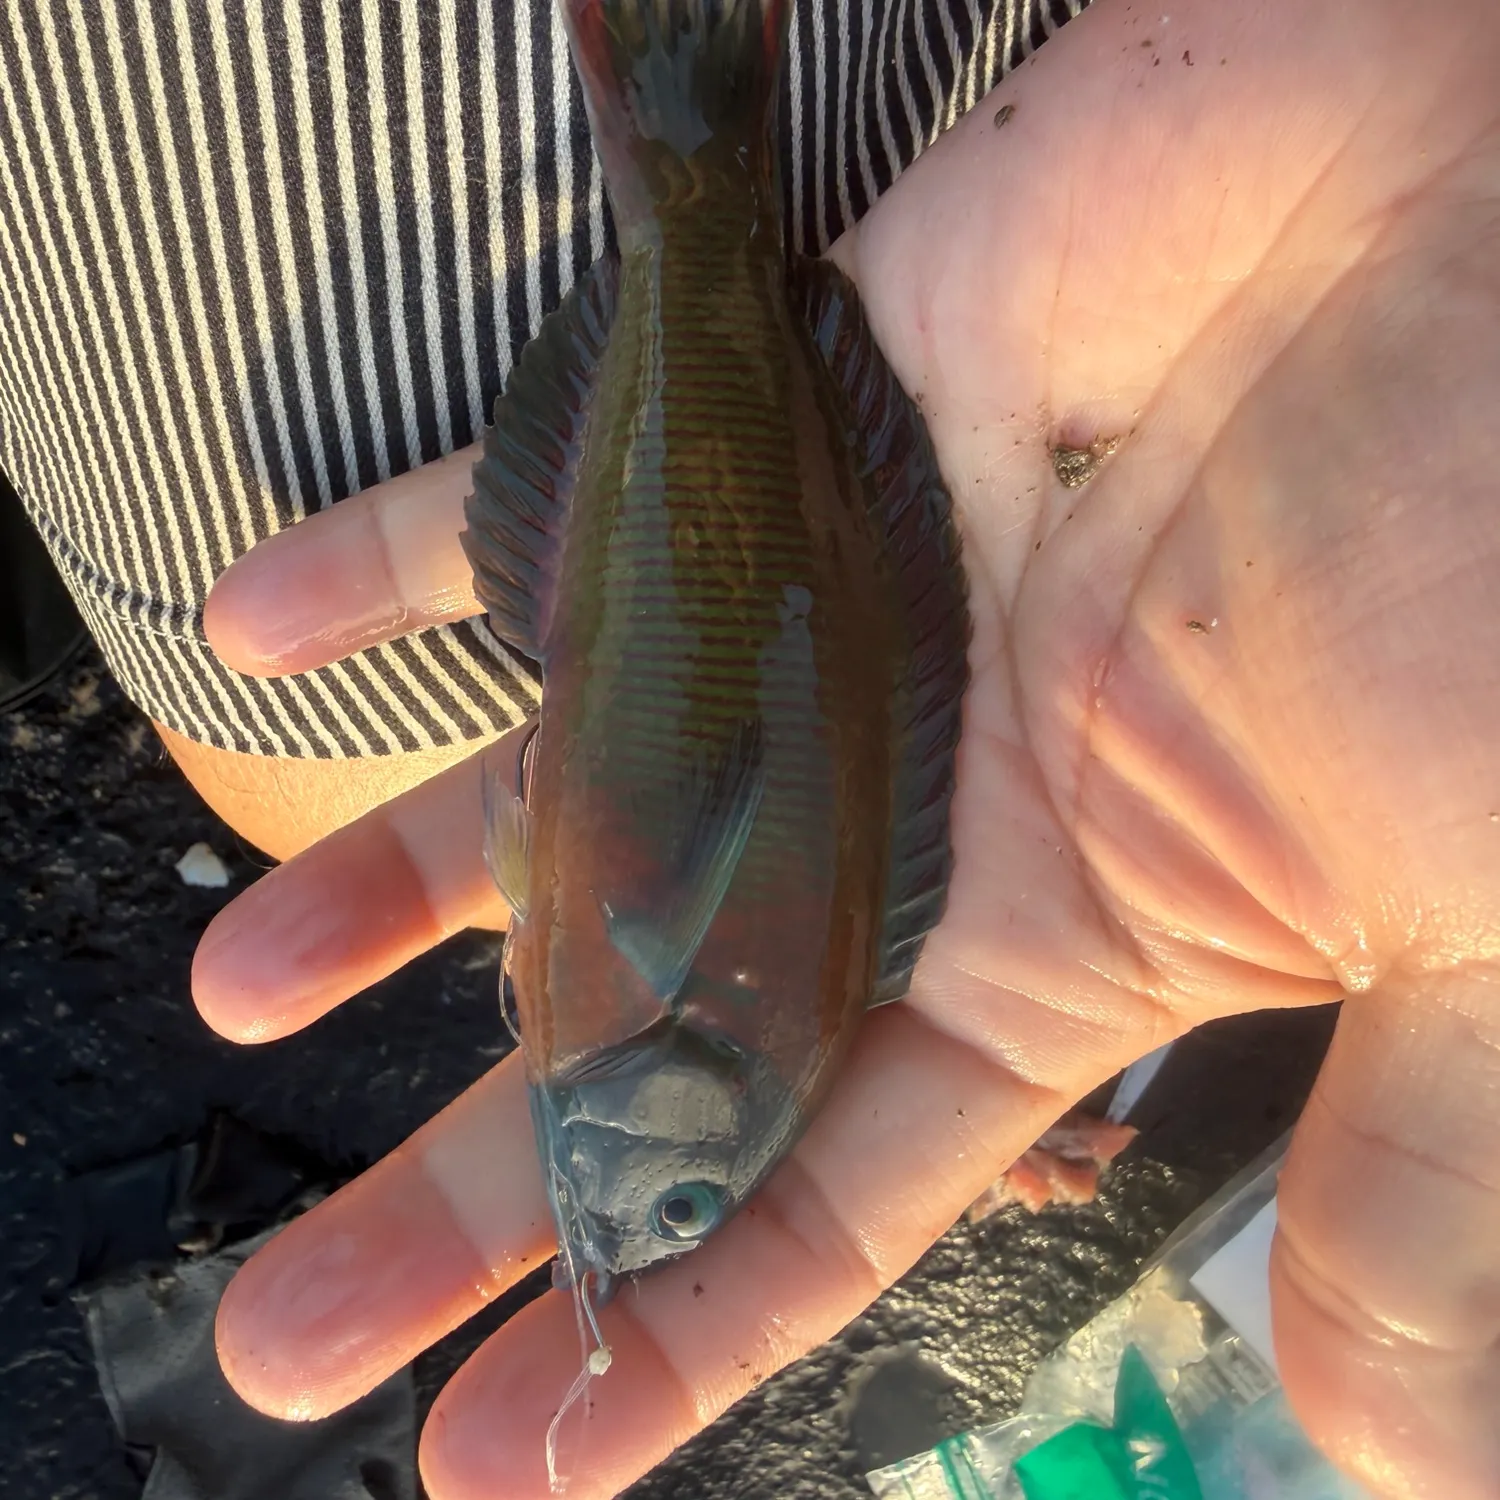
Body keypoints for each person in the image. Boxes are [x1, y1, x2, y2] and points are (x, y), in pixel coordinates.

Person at [4, 0, 1499, 1496]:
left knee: (302, 764)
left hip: (725, 549)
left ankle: (693, 191)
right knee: (295, 760)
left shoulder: (734, 1017)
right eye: (678, 1205)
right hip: (837, 395)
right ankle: (691, 180)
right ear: (689, 1068)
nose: (630, 1224)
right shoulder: (647, 1009)